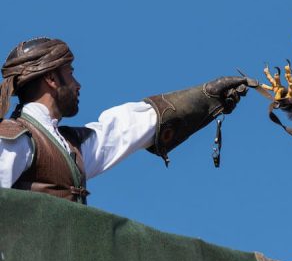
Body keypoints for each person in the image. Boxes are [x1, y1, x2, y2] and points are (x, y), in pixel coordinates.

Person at [0, 37, 254, 204]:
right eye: (71, 74)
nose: (78, 85)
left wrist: (205, 97)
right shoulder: (13, 139)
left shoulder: (67, 146)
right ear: (52, 80)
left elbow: (122, 129)